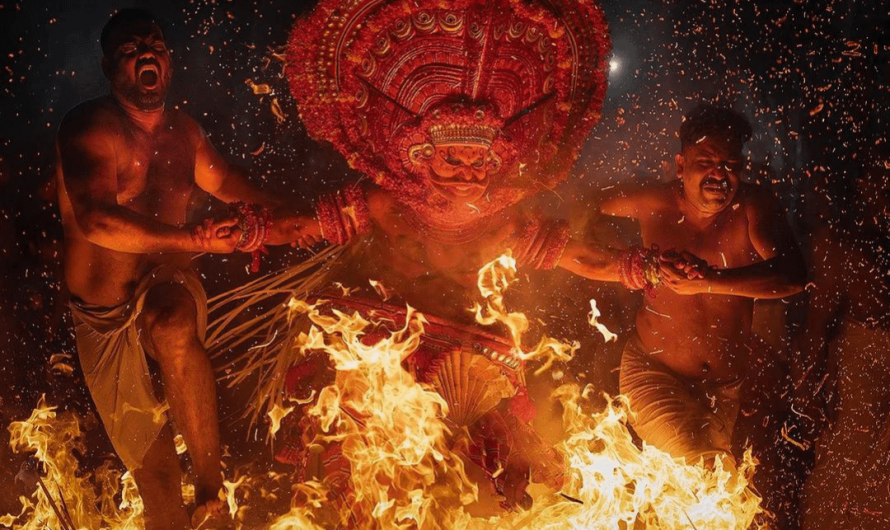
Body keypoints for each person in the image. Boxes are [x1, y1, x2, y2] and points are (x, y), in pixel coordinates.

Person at [55, 9, 316, 529]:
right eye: (131, 49)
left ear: (168, 63)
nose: (146, 53)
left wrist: (303, 215)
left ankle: (211, 486)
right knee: (155, 481)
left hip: (164, 284)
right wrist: (194, 238)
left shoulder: (185, 134)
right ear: (110, 66)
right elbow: (96, 221)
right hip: (101, 316)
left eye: (155, 45)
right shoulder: (90, 127)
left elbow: (236, 187)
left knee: (173, 321)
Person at [559, 104, 808, 526]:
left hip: (725, 388)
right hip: (654, 372)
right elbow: (580, 209)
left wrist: (708, 281)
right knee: (709, 481)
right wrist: (632, 262)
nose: (719, 174)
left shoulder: (752, 208)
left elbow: (793, 276)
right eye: (705, 162)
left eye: (729, 164)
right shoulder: (650, 200)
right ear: (680, 165)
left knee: (690, 498)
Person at [796, 148, 890, 529]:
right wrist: (805, 390)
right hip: (861, 363)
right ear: (864, 185)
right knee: (846, 459)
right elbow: (816, 323)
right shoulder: (838, 241)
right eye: (881, 176)